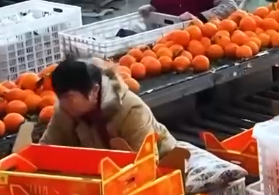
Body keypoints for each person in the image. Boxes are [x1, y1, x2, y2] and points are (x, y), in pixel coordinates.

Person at [40, 57, 178, 154]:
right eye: (60, 97)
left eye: (69, 97)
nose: (63, 104)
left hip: (164, 163)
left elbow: (146, 160)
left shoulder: (130, 110)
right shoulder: (65, 112)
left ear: (94, 91)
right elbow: (45, 150)